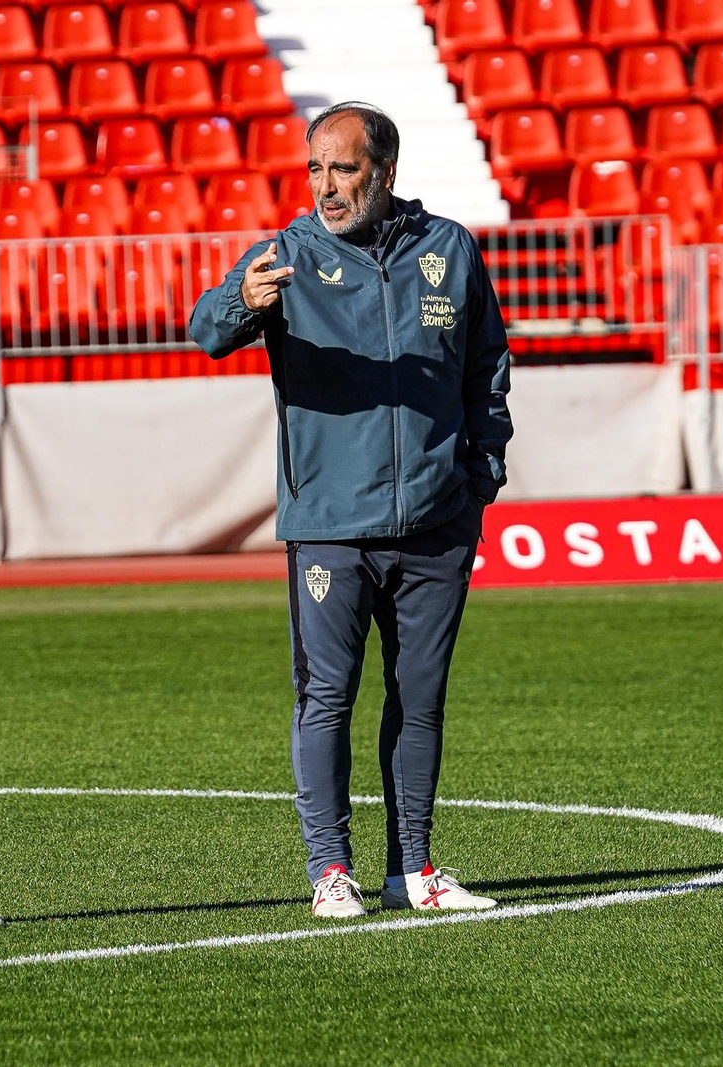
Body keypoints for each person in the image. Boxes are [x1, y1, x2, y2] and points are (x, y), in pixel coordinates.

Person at [189, 102, 514, 919]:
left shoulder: (450, 249)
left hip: (438, 525)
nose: (325, 187)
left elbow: (488, 369)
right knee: (326, 698)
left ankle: (415, 867)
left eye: (343, 169)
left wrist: (481, 475)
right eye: (315, 169)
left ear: (386, 171)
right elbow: (203, 329)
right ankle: (331, 868)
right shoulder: (286, 254)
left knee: (421, 698)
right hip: (331, 524)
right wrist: (243, 303)